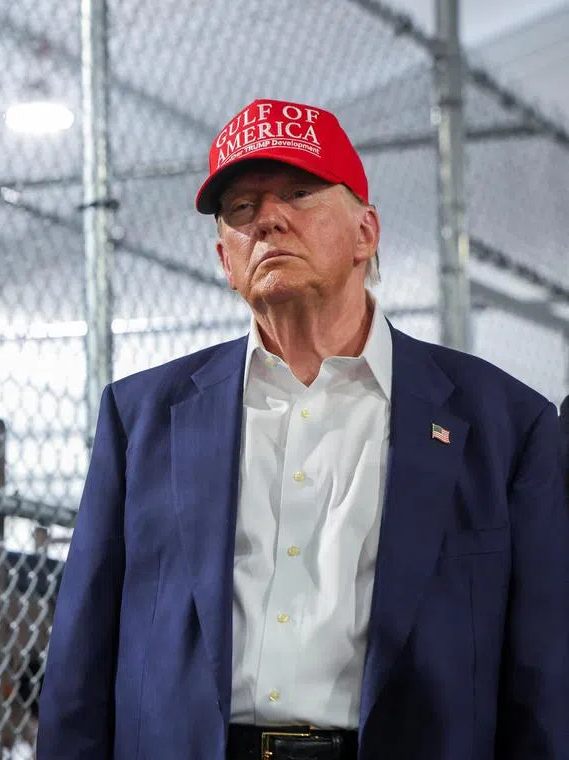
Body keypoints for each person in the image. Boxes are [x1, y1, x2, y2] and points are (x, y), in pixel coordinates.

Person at [35, 98, 569, 760]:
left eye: (300, 192)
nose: (268, 219)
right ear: (226, 260)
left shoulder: (506, 425)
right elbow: (79, 667)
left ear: (366, 233)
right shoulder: (140, 418)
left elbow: (543, 680)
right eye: (241, 209)